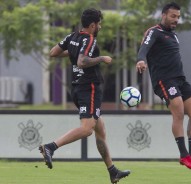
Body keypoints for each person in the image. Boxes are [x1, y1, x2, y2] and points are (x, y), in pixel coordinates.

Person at [39, 8, 130, 183]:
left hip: (77, 88)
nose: (100, 27)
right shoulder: (89, 39)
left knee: (100, 130)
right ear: (92, 25)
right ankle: (50, 147)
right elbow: (82, 62)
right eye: (99, 24)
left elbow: (53, 52)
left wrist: (73, 54)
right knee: (87, 128)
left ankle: (112, 171)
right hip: (89, 88)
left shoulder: (73, 36)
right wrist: (102, 58)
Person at [136, 2, 191, 170]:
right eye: (173, 16)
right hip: (164, 80)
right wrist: (140, 60)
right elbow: (144, 48)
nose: (176, 20)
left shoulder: (174, 35)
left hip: (180, 80)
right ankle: (184, 155)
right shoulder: (154, 32)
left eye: (178, 17)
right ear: (163, 15)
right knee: (178, 111)